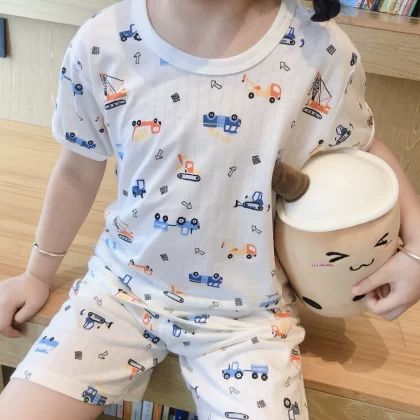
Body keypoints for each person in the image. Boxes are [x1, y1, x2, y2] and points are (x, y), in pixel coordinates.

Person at [1, 0, 420, 418]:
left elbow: (362, 148)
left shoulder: (320, 50)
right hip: (119, 292)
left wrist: (417, 251)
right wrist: (37, 274)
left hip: (248, 318)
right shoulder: (102, 40)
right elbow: (78, 168)